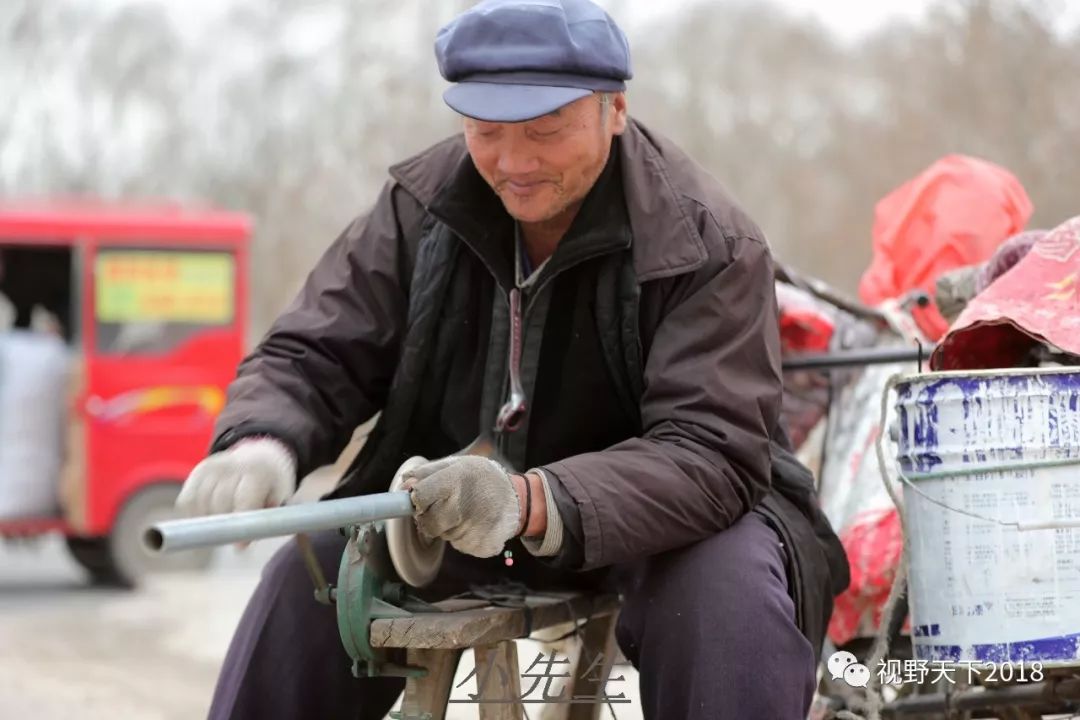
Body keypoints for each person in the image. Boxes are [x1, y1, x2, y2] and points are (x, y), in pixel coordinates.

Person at [177, 1, 848, 718]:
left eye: (547, 129)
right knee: (306, 578)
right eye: (487, 131)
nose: (514, 162)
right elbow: (315, 349)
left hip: (666, 521)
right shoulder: (419, 208)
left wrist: (530, 501)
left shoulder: (707, 241)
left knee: (727, 602)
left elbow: (711, 450)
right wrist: (261, 441)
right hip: (452, 514)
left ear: (614, 109)